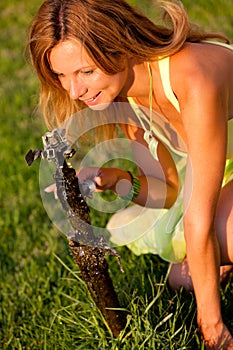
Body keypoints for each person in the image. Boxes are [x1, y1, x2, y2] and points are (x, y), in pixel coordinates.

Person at [26, 0, 233, 348]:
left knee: (208, 231)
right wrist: (111, 179)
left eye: (85, 72)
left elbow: (197, 217)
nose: (74, 91)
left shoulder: (192, 80)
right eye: (62, 76)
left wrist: (212, 328)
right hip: (222, 176)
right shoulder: (126, 97)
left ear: (119, 46)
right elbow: (168, 190)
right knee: (184, 276)